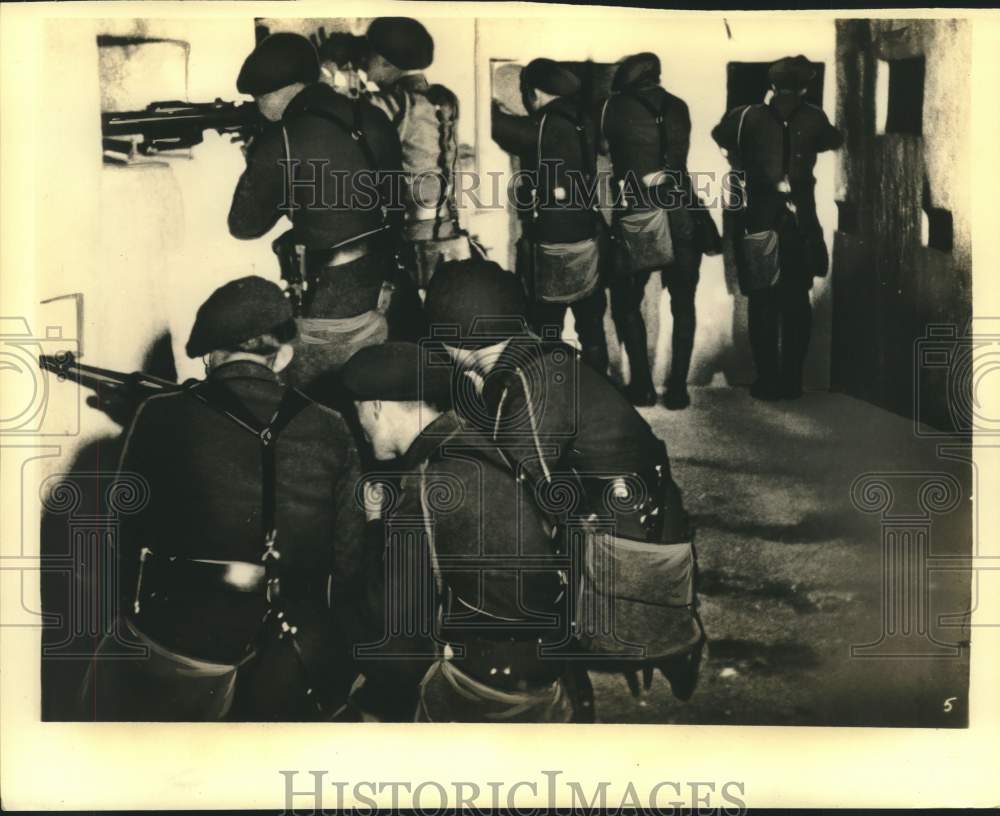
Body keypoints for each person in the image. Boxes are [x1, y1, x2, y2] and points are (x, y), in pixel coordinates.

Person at [424, 259, 704, 715]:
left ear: (454, 340)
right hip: (641, 515)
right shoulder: (533, 359)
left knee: (505, 560)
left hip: (628, 546)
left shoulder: (527, 389)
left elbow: (519, 499)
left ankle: (569, 675)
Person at [83, 276, 367, 721]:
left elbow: (120, 534)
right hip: (293, 650)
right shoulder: (331, 426)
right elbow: (351, 561)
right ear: (284, 355)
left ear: (210, 357)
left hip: (182, 644)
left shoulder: (159, 414)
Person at [341, 342, 573, 722]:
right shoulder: (477, 441)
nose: (362, 429)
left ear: (376, 407)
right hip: (546, 667)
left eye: (359, 415)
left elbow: (391, 622)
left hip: (485, 689)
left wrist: (374, 525)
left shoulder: (424, 484)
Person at [227, 33, 423, 392]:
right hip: (391, 287)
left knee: (323, 402)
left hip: (331, 306)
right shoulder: (372, 116)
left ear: (273, 94)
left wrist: (257, 160)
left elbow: (244, 225)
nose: (257, 108)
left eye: (257, 99)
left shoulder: (282, 138)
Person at [711, 54, 842, 400]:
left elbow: (720, 136)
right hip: (800, 221)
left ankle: (767, 380)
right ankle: (791, 381)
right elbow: (833, 140)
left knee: (762, 301)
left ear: (771, 85)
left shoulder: (746, 116)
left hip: (758, 217)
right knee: (797, 301)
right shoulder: (814, 117)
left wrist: (742, 159)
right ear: (804, 86)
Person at [491, 58, 609, 377]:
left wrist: (488, 106)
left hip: (551, 241)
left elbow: (501, 129)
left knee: (545, 328)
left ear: (535, 93)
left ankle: (550, 395)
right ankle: (601, 393)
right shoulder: (583, 117)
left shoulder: (544, 123)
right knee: (591, 325)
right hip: (587, 233)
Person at [600, 52, 703, 409]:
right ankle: (678, 390)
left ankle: (642, 387)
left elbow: (602, 147)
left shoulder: (615, 107)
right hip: (682, 212)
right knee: (684, 303)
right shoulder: (680, 106)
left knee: (626, 302)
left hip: (638, 213)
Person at [363, 17, 474, 293]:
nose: (364, 62)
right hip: (446, 224)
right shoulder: (443, 99)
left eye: (369, 55)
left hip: (411, 232)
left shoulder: (395, 104)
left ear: (387, 62)